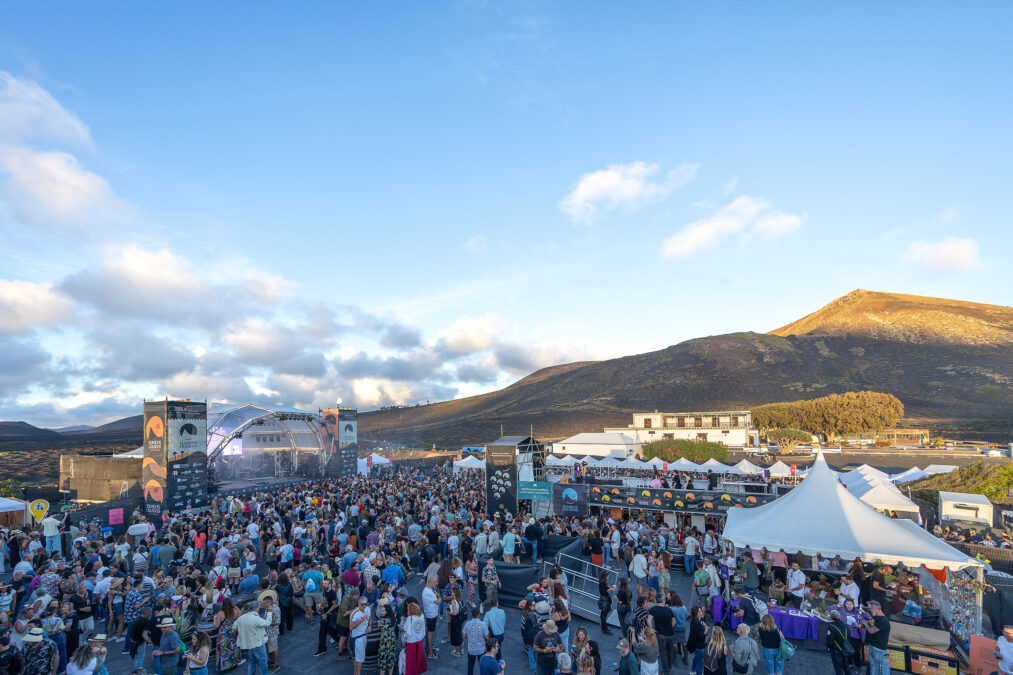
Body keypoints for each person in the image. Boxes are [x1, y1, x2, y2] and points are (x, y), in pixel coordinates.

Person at [235, 600, 271, 675]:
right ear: (256, 608)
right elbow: (267, 623)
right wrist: (269, 612)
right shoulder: (255, 618)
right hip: (258, 644)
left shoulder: (241, 618)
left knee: (251, 663)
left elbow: (233, 627)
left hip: (247, 645)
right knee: (262, 663)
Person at [647, 590, 674, 675]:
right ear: (663, 600)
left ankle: (666, 671)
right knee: (669, 653)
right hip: (670, 634)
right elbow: (674, 621)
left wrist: (652, 630)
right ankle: (669, 669)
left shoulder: (653, 609)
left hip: (661, 634)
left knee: (663, 653)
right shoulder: (669, 610)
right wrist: (670, 626)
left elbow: (648, 621)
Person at [864, 600, 892, 675]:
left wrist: (865, 624)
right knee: (874, 665)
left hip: (880, 649)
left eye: (870, 608)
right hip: (873, 646)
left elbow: (871, 631)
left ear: (875, 609)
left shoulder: (883, 621)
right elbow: (872, 624)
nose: (869, 610)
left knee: (883, 667)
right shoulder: (875, 617)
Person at [349, 596, 371, 675]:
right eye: (362, 604)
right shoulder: (355, 614)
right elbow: (350, 627)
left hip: (363, 636)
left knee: (357, 659)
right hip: (358, 639)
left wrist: (369, 626)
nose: (364, 606)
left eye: (366, 604)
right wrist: (361, 620)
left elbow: (370, 618)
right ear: (358, 604)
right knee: (359, 660)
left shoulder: (368, 609)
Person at [826, 608, 852, 675]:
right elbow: (849, 638)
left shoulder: (831, 627)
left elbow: (829, 641)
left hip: (836, 650)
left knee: (838, 669)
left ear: (831, 618)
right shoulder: (846, 627)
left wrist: (829, 647)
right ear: (840, 617)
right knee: (846, 666)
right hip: (845, 650)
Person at [422, 576, 441, 659]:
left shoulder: (426, 590)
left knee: (428, 630)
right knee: (430, 633)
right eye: (435, 582)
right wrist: (438, 596)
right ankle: (430, 652)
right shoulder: (429, 592)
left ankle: (427, 646)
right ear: (431, 583)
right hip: (431, 614)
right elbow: (438, 602)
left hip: (429, 613)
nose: (436, 584)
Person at [685, 606, 706, 675]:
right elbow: (701, 637)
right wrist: (705, 631)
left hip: (698, 645)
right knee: (700, 663)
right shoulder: (695, 622)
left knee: (696, 658)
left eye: (701, 611)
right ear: (695, 613)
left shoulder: (700, 620)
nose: (701, 612)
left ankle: (693, 671)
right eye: (699, 611)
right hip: (699, 645)